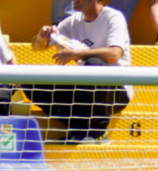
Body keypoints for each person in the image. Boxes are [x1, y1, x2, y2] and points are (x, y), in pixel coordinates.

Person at [29, 0, 133, 144]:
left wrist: (77, 53)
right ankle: (79, 128)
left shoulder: (113, 17)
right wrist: (42, 36)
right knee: (29, 80)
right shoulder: (73, 21)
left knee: (93, 64)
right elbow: (37, 47)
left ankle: (98, 131)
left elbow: (114, 55)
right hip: (85, 90)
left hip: (115, 94)